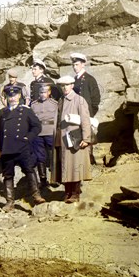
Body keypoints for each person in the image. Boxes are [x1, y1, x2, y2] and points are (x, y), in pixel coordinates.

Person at [0, 86, 43, 211]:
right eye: (10, 96)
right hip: (7, 149)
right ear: (7, 98)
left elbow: (37, 126)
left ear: (19, 96)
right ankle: (10, 202)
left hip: (22, 147)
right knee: (8, 176)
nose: (12, 98)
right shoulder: (2, 112)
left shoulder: (26, 111)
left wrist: (28, 138)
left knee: (29, 170)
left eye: (15, 95)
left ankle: (36, 195)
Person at [53, 75, 92, 203]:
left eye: (67, 85)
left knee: (75, 166)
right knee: (65, 166)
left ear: (72, 85)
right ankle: (67, 192)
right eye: (62, 85)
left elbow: (85, 120)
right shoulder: (61, 100)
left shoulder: (79, 100)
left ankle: (75, 193)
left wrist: (86, 138)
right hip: (62, 138)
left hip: (75, 138)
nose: (64, 88)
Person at [30, 84, 58, 187]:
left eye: (45, 92)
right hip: (38, 133)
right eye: (41, 92)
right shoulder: (33, 104)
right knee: (39, 156)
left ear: (49, 93)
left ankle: (54, 178)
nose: (42, 94)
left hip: (50, 131)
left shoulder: (55, 104)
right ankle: (43, 179)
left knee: (53, 154)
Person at [70, 53, 100, 117]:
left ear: (83, 64)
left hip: (86, 113)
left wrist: (90, 113)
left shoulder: (90, 79)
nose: (75, 67)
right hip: (75, 113)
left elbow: (96, 98)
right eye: (73, 65)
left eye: (77, 65)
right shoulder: (74, 79)